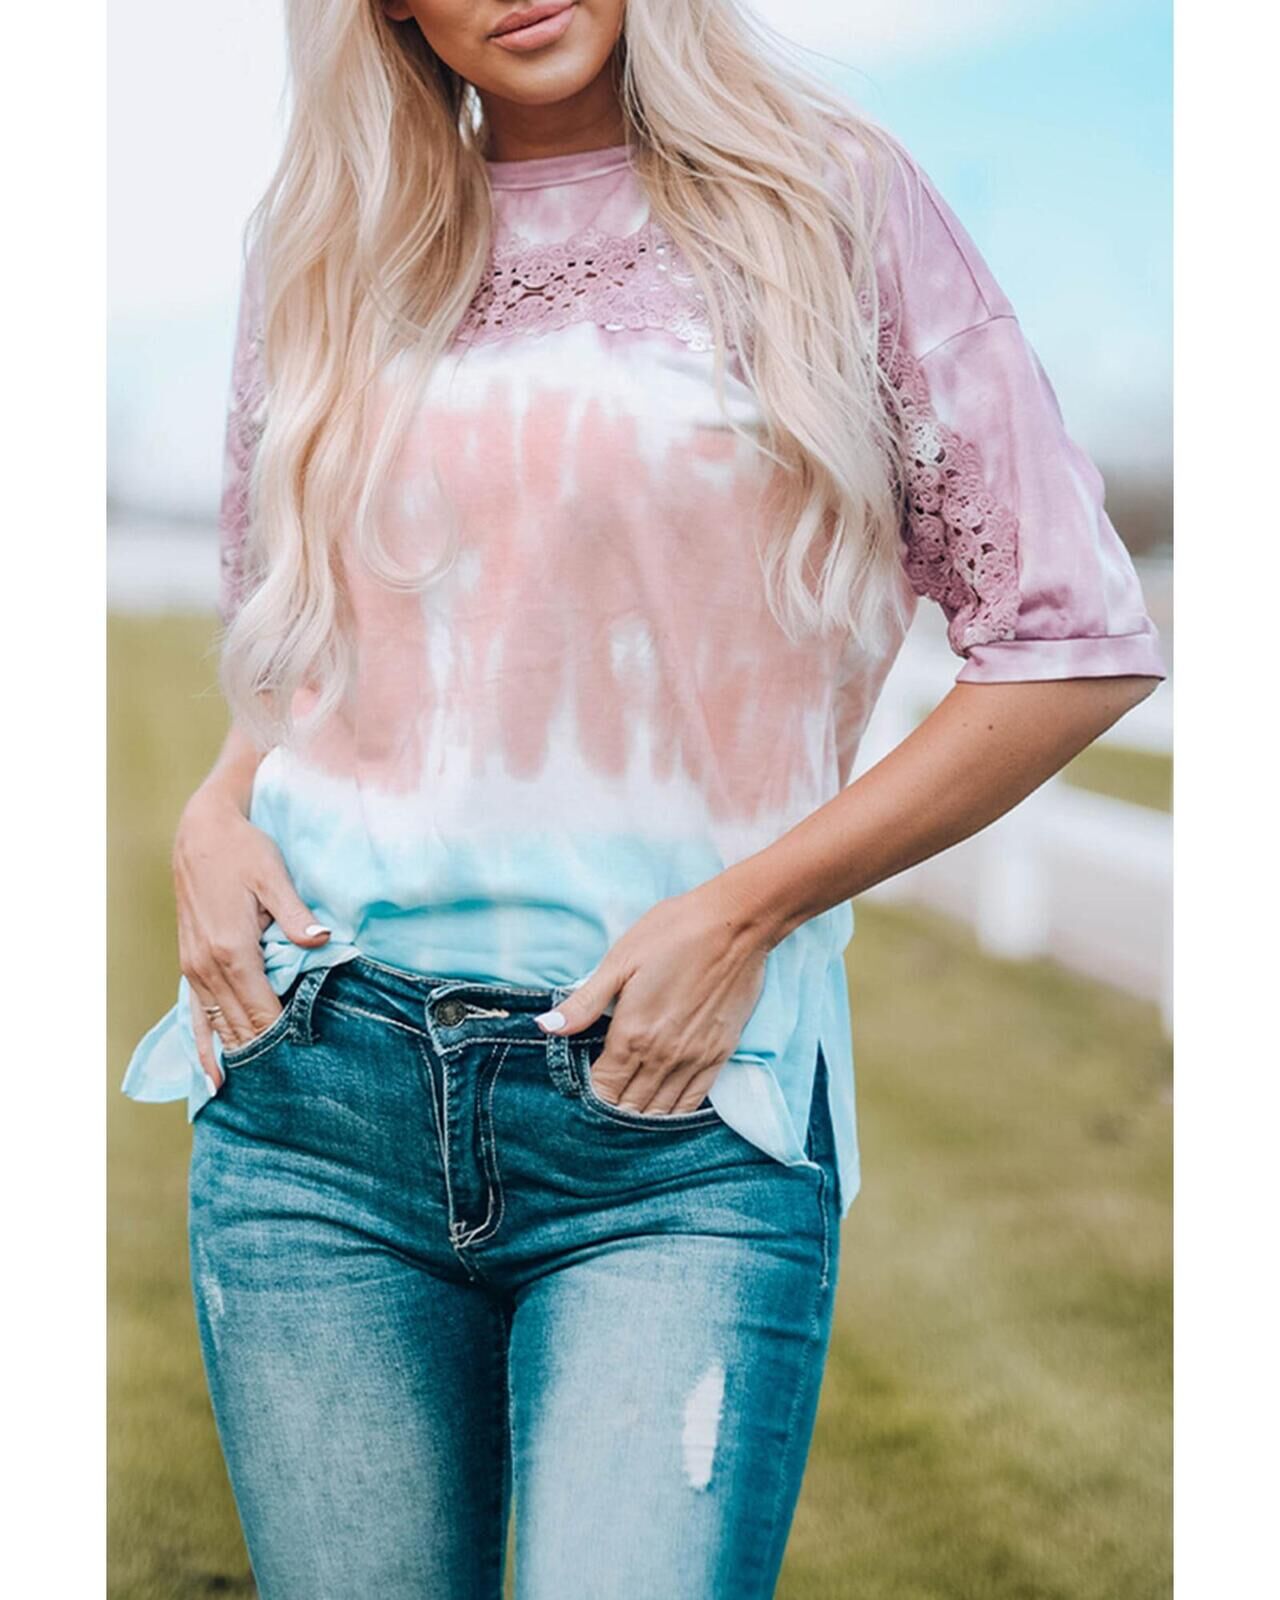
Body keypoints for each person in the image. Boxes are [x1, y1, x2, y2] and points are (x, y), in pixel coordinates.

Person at [121, 2, 1169, 1595]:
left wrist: (744, 912)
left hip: (675, 1107)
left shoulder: (828, 203)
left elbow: (1070, 644)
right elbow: (305, 647)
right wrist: (215, 812)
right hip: (314, 1100)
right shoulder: (326, 239)